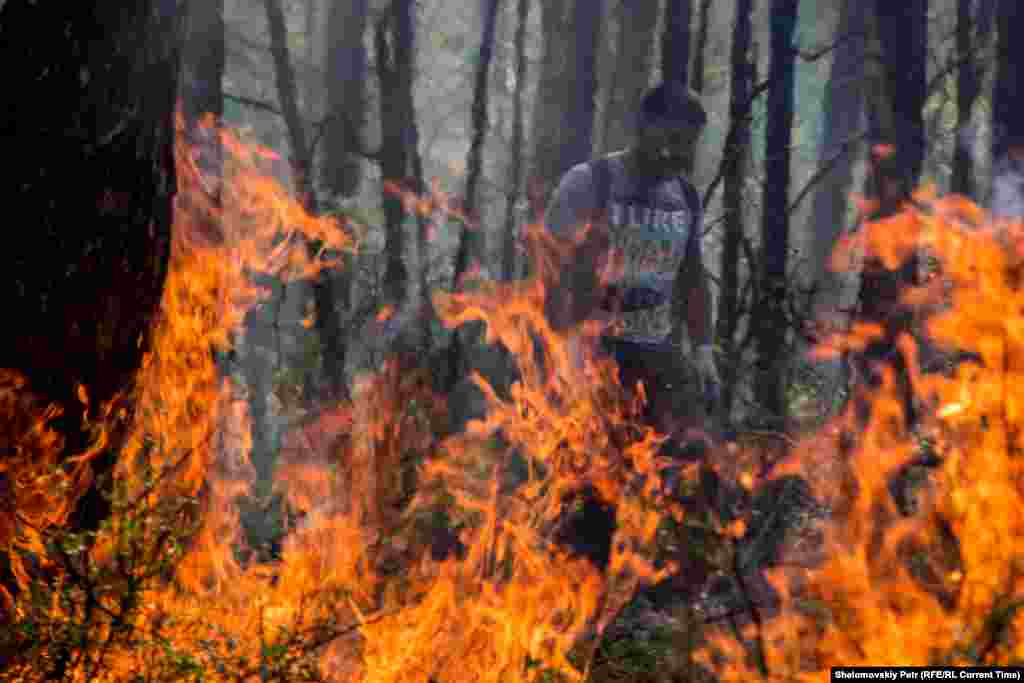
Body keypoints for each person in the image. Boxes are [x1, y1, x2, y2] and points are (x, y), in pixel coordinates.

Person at [542, 80, 719, 446]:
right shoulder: (589, 183)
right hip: (595, 353)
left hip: (657, 357)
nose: (679, 155)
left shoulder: (685, 196)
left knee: (667, 477)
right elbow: (551, 274)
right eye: (672, 140)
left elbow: (692, 275)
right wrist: (566, 351)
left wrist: (703, 350)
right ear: (644, 125)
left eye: (688, 145)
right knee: (590, 480)